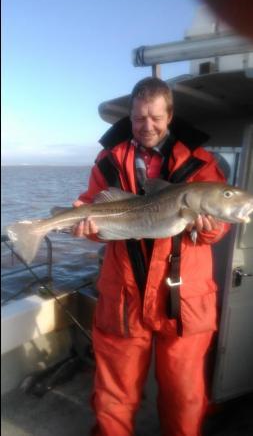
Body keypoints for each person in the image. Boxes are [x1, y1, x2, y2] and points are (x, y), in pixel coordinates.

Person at [73, 77, 229, 436]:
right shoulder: (108, 160)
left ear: (170, 115)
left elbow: (216, 230)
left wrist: (206, 226)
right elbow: (98, 218)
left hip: (183, 296)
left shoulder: (202, 164)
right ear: (130, 115)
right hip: (124, 292)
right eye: (139, 118)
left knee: (185, 394)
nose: (147, 126)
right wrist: (87, 226)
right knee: (114, 392)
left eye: (156, 117)